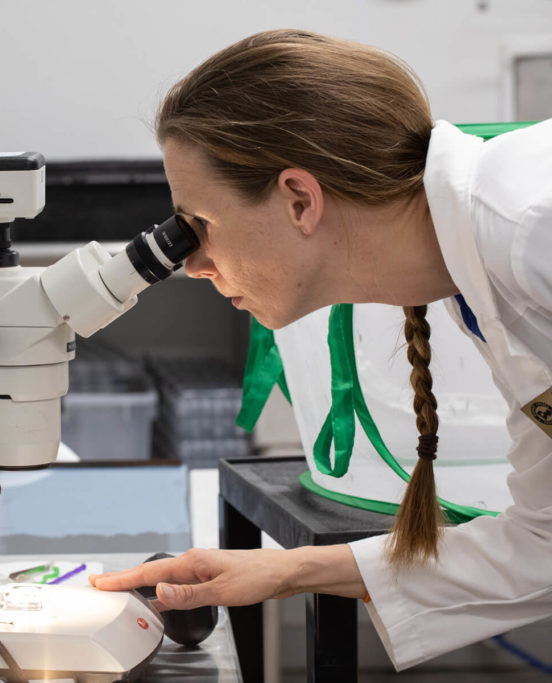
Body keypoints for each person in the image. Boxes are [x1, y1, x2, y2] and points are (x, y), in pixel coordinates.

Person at [89, 29, 552, 670]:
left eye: (199, 226)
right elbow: (544, 540)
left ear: (300, 200)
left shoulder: (532, 226)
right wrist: (283, 572)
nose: (190, 264)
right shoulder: (479, 275)